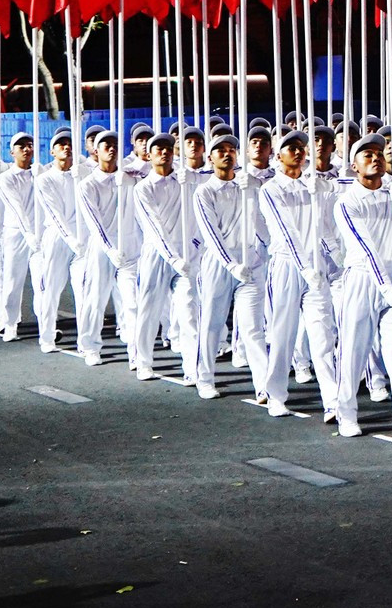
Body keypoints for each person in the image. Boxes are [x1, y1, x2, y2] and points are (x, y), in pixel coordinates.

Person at [332, 132, 392, 443]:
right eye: (367, 155)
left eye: (379, 153)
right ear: (354, 165)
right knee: (353, 351)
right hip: (362, 279)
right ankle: (346, 413)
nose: (375, 158)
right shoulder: (347, 202)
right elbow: (366, 248)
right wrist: (385, 285)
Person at [259, 128, 342, 419]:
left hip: (317, 268)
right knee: (283, 334)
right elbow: (287, 231)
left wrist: (336, 259)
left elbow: (325, 227)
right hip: (286, 266)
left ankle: (333, 400)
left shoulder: (313, 186)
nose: (298, 151)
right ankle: (276, 395)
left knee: (322, 335)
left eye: (301, 147)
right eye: (290, 147)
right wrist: (305, 267)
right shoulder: (271, 189)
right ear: (277, 154)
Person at [192, 131, 263, 400]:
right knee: (211, 322)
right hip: (217, 263)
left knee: (253, 327)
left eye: (231, 149)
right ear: (209, 158)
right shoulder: (204, 192)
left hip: (249, 260)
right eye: (220, 150)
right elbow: (211, 234)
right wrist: (231, 265)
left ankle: (263, 384)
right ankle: (205, 378)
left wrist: (253, 187)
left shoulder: (247, 186)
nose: (227, 153)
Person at [132, 133, 199, 383]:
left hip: (185, 255)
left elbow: (201, 215)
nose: (164, 152)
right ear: (148, 155)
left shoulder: (186, 182)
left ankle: (192, 367)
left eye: (169, 148)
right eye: (158, 148)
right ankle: (144, 362)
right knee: (149, 310)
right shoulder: (142, 188)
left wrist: (194, 247)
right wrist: (172, 258)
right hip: (156, 255)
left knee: (189, 311)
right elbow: (153, 227)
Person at [75, 129, 138, 367]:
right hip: (102, 248)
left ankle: (136, 351)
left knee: (132, 301)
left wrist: (129, 180)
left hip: (129, 246)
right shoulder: (87, 185)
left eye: (115, 145)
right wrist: (110, 249)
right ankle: (90, 346)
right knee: (95, 299)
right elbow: (94, 222)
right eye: (106, 145)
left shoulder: (129, 179)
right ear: (95, 151)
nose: (111, 149)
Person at [31, 130, 81, 354]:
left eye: (69, 143)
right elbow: (56, 213)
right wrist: (71, 238)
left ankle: (87, 341)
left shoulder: (82, 174)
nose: (66, 147)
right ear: (52, 151)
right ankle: (47, 336)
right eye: (61, 144)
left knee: (83, 289)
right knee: (51, 289)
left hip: (81, 237)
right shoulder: (44, 179)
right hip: (57, 237)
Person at [0, 131, 38, 341]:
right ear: (12, 152)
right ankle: (10, 323)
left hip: (38, 234)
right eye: (22, 147)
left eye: (29, 145)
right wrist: (27, 233)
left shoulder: (40, 173)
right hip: (15, 233)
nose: (27, 150)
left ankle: (47, 324)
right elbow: (17, 208)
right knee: (12, 279)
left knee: (43, 280)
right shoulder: (5, 178)